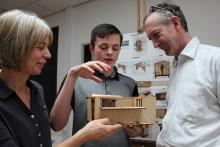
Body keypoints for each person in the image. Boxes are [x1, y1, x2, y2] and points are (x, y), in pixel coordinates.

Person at [0, 9, 122, 147]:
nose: (48, 55)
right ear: (15, 47)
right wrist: (84, 135)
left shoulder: (36, 89)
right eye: (40, 47)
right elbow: (56, 124)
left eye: (116, 48)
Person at [50, 23, 141, 147]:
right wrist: (72, 76)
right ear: (92, 49)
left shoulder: (130, 84)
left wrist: (136, 131)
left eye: (115, 48)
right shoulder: (74, 79)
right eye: (103, 47)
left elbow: (137, 128)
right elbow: (56, 125)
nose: (110, 52)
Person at [144, 2, 220, 147]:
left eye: (156, 35)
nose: (154, 45)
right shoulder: (176, 66)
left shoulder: (215, 59)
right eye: (150, 39)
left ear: (175, 22)